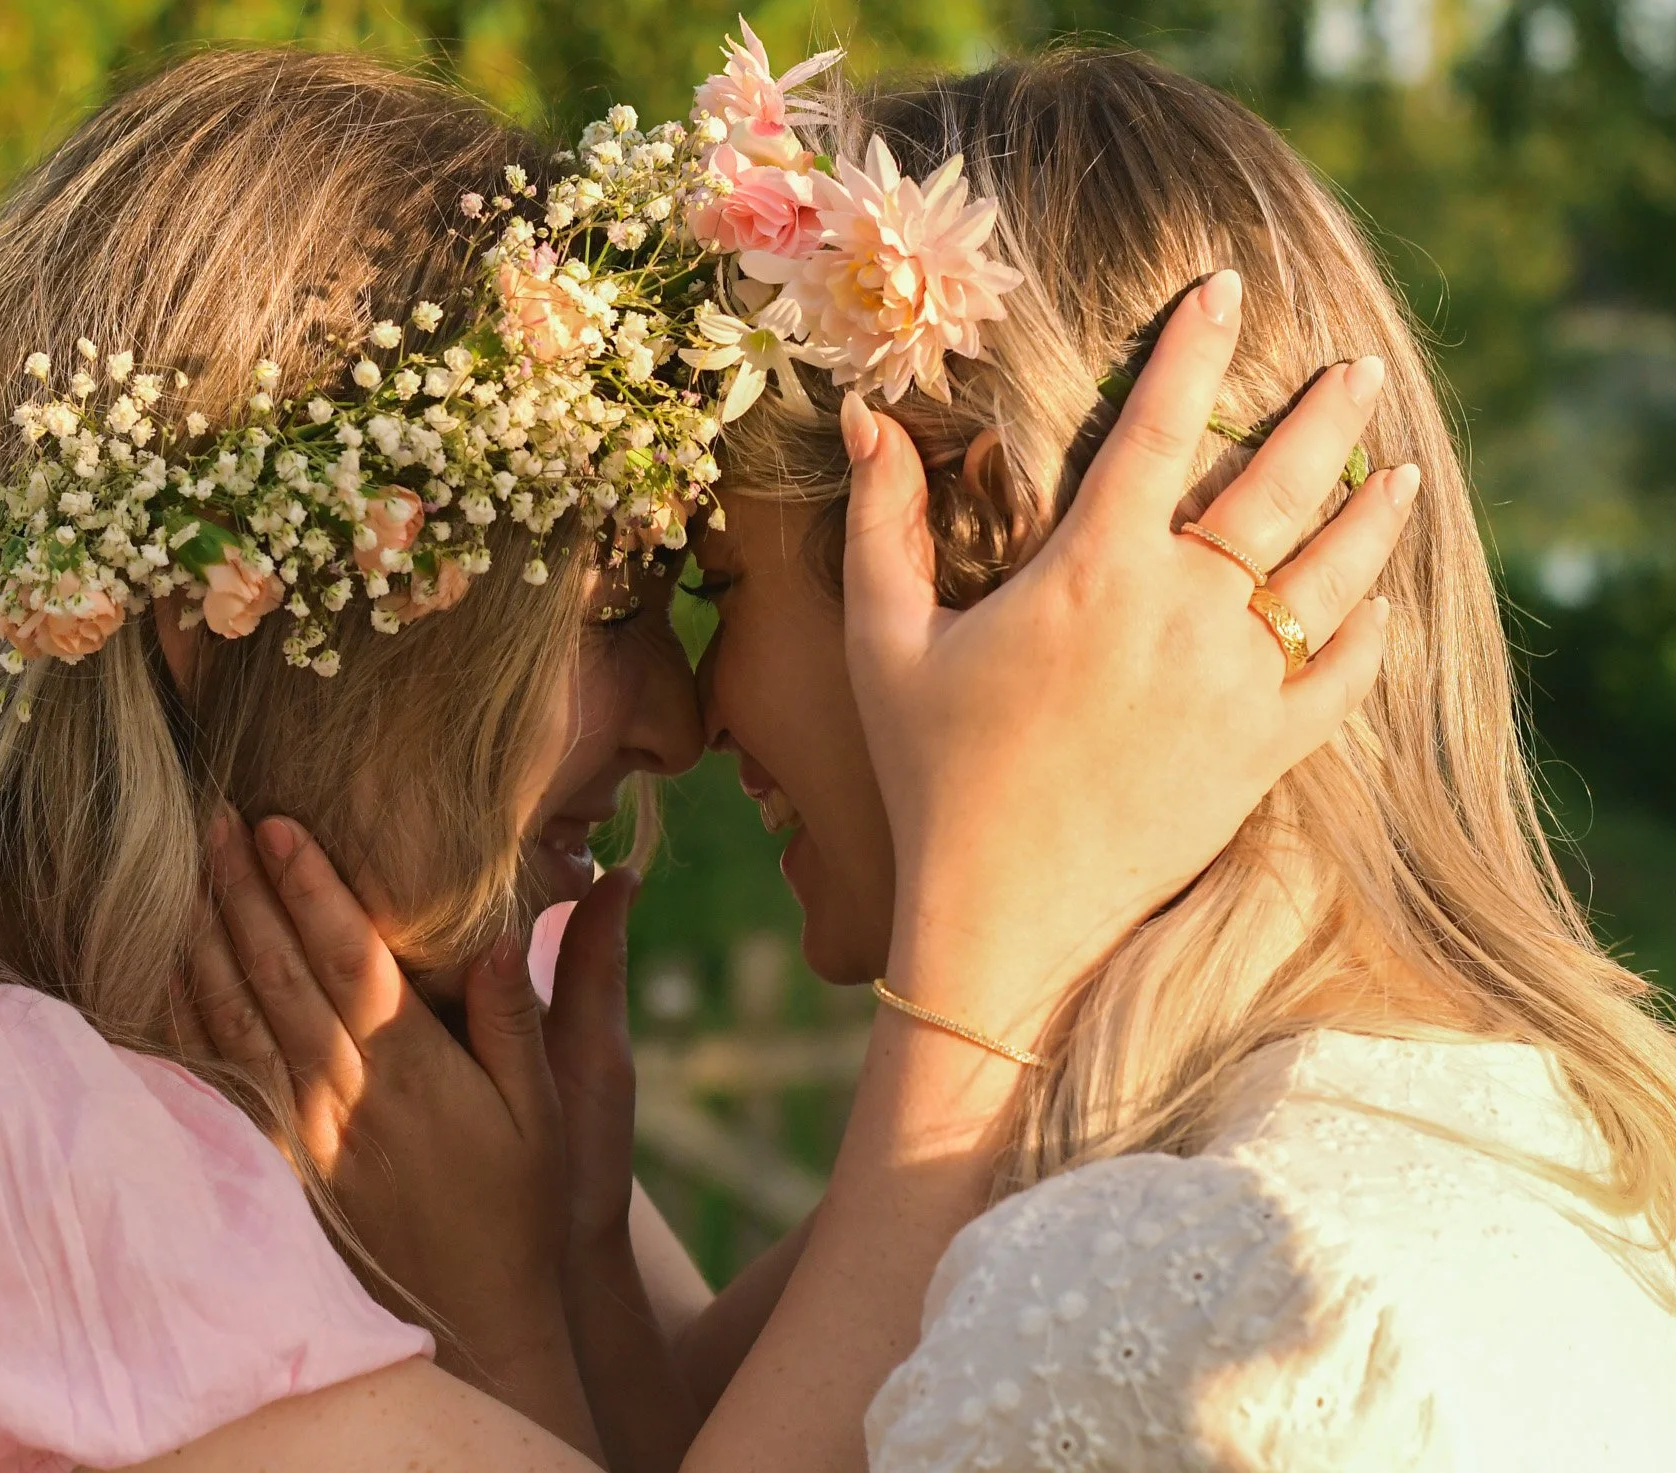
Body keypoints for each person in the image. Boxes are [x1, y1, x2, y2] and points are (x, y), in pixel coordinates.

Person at [0, 36, 1402, 1473]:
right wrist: (978, 994)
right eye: (608, 605)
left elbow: (734, 1421)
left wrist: (550, 1281)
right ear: (245, 608)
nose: (680, 720)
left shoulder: (417, 1039)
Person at [206, 42, 1676, 1473]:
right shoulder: (1506, 1126)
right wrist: (576, 1265)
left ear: (962, 551)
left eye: (725, 583)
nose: (700, 717)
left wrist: (503, 1333)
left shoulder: (1171, 1284)